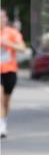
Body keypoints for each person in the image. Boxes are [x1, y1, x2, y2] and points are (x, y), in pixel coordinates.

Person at [1, 8, 27, 139]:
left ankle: (4, 120)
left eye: (2, 17)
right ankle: (1, 126)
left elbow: (22, 48)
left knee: (6, 101)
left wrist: (8, 43)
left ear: (6, 19)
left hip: (10, 70)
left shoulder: (12, 33)